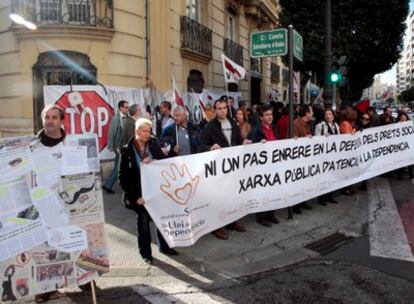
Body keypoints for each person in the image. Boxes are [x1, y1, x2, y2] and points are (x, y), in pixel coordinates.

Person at [119, 118, 178, 265]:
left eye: (149, 131)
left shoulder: (152, 144)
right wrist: (136, 196)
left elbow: (162, 162)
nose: (147, 134)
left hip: (155, 191)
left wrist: (171, 154)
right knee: (144, 222)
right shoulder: (126, 150)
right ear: (136, 131)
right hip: (139, 195)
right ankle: (146, 253)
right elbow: (123, 178)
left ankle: (165, 247)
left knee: (161, 219)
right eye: (144, 131)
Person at [199, 97, 251, 240]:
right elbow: (200, 146)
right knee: (219, 198)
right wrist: (210, 147)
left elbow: (237, 140)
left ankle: (232, 221)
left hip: (233, 167)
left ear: (227, 109)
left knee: (233, 196)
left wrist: (244, 141)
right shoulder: (210, 126)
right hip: (219, 170)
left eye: (224, 108)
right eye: (219, 108)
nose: (222, 111)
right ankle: (217, 227)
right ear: (215, 110)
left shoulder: (233, 123)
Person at [35, 105, 67, 303]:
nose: (50, 120)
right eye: (47, 117)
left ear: (61, 121)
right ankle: (44, 288)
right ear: (42, 119)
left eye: (54, 117)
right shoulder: (32, 145)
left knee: (69, 241)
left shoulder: (71, 144)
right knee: (45, 248)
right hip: (41, 204)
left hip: (67, 203)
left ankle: (83, 278)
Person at [249, 104, 280, 227]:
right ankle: (261, 217)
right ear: (261, 117)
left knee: (273, 190)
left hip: (274, 165)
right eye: (266, 115)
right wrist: (258, 144)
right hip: (261, 168)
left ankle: (271, 214)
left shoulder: (275, 128)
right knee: (262, 192)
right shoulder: (256, 130)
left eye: (271, 114)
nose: (270, 117)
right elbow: (250, 147)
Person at [314, 109, 340, 205]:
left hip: (333, 156)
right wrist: (323, 138)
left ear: (333, 116)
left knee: (332, 177)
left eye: (330, 114)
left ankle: (330, 196)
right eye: (326, 114)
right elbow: (316, 140)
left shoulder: (336, 126)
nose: (328, 116)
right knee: (323, 177)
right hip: (323, 156)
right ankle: (321, 198)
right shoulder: (320, 126)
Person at [103, 100, 129, 194]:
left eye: (128, 107)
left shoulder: (127, 117)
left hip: (125, 146)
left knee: (123, 166)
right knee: (118, 167)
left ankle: (125, 185)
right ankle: (108, 185)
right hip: (119, 147)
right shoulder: (116, 118)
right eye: (126, 107)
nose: (127, 109)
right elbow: (111, 132)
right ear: (121, 108)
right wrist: (110, 146)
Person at [292, 105, 314, 214]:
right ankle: (296, 205)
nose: (312, 113)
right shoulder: (296, 123)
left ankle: (302, 202)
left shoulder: (307, 125)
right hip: (297, 159)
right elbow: (293, 140)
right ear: (307, 113)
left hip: (304, 158)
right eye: (311, 112)